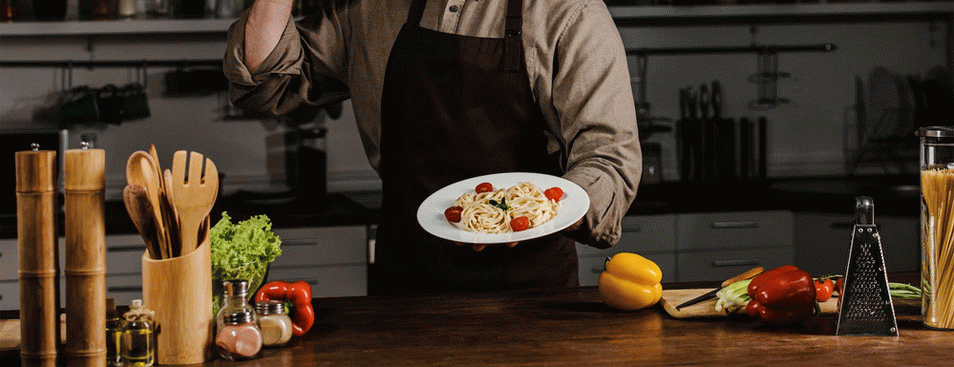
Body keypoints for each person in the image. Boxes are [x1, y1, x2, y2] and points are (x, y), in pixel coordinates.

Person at [224, 0, 641, 295]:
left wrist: (534, 210)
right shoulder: (371, 9)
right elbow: (266, 83)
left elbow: (610, 159)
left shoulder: (569, 12)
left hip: (530, 293)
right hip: (404, 285)